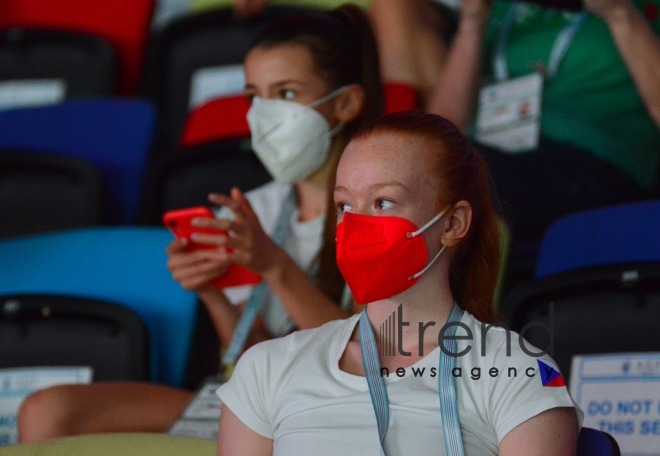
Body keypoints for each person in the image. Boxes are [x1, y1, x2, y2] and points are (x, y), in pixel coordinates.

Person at [17, 4, 384, 443]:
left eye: (285, 94)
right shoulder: (253, 209)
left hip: (337, 407)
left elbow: (367, 363)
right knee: (49, 411)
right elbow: (251, 357)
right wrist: (211, 289)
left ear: (345, 102)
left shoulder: (382, 209)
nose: (264, 114)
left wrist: (274, 266)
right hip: (257, 397)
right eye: (254, 96)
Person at [216, 111, 583, 455]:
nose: (357, 224)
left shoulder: (512, 369)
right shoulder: (266, 368)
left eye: (383, 202)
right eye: (344, 205)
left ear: (453, 224)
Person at [371, 0, 660, 284]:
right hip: (489, 161)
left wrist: (621, 13)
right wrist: (473, 23)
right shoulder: (503, 8)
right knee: (399, 180)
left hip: (587, 169)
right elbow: (443, 131)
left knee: (433, 193)